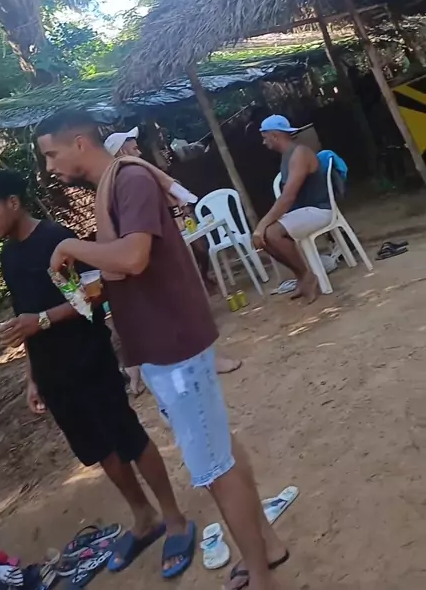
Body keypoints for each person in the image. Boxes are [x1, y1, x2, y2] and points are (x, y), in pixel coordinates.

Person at [35, 109, 289, 590]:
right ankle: (268, 546)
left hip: (174, 348)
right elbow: (124, 264)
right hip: (161, 348)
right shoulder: (111, 185)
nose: (49, 166)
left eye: (52, 154)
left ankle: (261, 576)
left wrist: (71, 247)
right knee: (221, 450)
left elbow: (134, 257)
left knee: (215, 468)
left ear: (80, 144)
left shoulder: (129, 181)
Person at [0, 170, 193, 579]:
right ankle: (144, 517)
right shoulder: (8, 258)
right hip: (54, 376)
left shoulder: (56, 240)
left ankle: (174, 518)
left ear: (13, 202)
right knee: (98, 448)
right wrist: (32, 377)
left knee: (128, 437)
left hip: (89, 360)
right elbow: (25, 322)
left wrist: (43, 321)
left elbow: (92, 299)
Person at [103, 128, 240, 375]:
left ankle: (204, 360)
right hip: (156, 261)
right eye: (133, 146)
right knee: (184, 308)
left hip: (157, 258)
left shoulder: (126, 180)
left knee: (181, 309)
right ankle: (208, 361)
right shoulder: (132, 179)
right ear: (122, 151)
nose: (138, 151)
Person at [253, 115, 332, 305]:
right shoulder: (288, 155)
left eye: (265, 137)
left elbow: (288, 197)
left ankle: (307, 276)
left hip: (318, 210)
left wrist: (261, 225)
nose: (263, 142)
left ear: (274, 135)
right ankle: (302, 276)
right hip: (304, 212)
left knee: (270, 233)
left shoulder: (300, 153)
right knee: (264, 238)